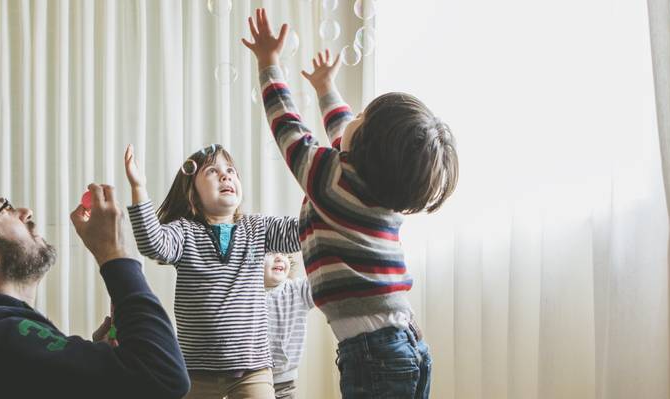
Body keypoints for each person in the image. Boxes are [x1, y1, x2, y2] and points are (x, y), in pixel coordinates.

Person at [242, 8, 459, 398]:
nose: (352, 116)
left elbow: (288, 127)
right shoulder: (380, 190)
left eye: (363, 115)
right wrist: (326, 87)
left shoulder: (329, 177)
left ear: (365, 148)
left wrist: (268, 64)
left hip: (374, 353)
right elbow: (346, 130)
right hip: (406, 343)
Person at [0, 170, 190, 398]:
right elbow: (164, 378)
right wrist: (113, 254)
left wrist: (92, 360)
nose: (25, 212)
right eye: (4, 209)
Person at [123, 144, 300, 398]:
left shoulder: (257, 228)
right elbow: (153, 243)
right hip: (195, 371)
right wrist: (138, 188)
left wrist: (320, 192)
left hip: (253, 369)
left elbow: (300, 231)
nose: (225, 176)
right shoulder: (184, 233)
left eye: (230, 171)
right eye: (212, 172)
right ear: (192, 193)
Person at [263, 252, 314, 399]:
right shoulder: (246, 292)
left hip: (284, 382)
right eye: (271, 253)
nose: (279, 257)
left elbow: (320, 279)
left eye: (283, 254)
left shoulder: (297, 290)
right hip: (248, 380)